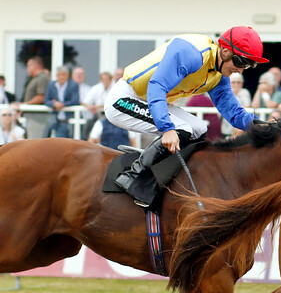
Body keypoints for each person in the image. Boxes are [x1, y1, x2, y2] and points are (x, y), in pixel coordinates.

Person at [105, 26, 268, 206]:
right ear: (226, 51)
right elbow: (157, 86)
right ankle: (133, 176)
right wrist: (167, 128)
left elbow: (233, 111)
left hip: (152, 101)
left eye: (248, 65)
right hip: (123, 99)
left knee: (199, 128)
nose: (241, 70)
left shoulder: (218, 74)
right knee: (182, 129)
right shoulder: (192, 53)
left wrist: (261, 126)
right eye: (240, 62)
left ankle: (173, 180)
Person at [44, 66, 80, 138]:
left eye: (63, 74)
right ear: (56, 76)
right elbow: (46, 100)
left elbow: (75, 101)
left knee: (72, 141)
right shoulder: (51, 85)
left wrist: (62, 104)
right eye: (59, 75)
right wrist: (54, 104)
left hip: (69, 119)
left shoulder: (73, 85)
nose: (61, 77)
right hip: (57, 120)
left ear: (67, 75)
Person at [22, 56, 50, 138]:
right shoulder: (35, 78)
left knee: (35, 144)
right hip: (32, 117)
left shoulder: (42, 78)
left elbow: (41, 96)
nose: (27, 69)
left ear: (35, 66)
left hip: (37, 119)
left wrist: (25, 105)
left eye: (29, 66)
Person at [223, 72, 251, 137]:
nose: (236, 84)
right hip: (227, 127)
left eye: (238, 82)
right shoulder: (224, 92)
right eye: (233, 82)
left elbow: (248, 107)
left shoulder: (245, 92)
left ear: (242, 83)